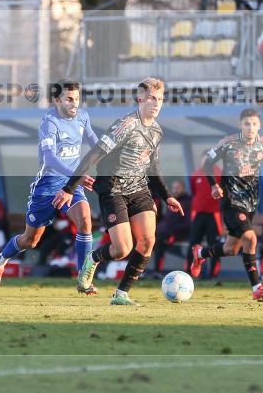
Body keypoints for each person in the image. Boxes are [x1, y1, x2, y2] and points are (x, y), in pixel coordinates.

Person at [62, 78, 184, 306]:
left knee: (147, 241)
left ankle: (121, 294)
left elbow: (153, 167)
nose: (156, 104)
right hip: (113, 189)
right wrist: (70, 187)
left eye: (159, 99)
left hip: (139, 189)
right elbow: (95, 154)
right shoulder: (126, 124)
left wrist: (167, 196)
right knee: (121, 249)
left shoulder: (157, 131)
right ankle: (93, 258)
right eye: (151, 99)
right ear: (140, 100)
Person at [0, 80, 101, 293]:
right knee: (30, 240)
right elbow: (49, 158)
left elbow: (95, 143)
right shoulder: (49, 122)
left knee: (85, 221)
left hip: (71, 183)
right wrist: (77, 174)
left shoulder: (83, 117)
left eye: (76, 98)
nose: (74, 103)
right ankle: (0, 259)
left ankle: (83, 279)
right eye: (69, 99)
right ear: (57, 100)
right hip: (47, 185)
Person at [189, 108, 263, 302]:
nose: (250, 127)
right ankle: (257, 287)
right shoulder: (228, 143)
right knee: (251, 238)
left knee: (231, 248)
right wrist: (214, 185)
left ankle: (200, 252)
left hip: (250, 203)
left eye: (254, 124)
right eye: (247, 123)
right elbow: (207, 163)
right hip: (231, 201)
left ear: (259, 126)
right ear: (241, 125)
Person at [187, 164, 222, 279]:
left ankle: (213, 274)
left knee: (214, 243)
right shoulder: (196, 173)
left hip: (214, 214)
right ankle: (190, 272)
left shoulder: (219, 173)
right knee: (193, 242)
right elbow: (193, 190)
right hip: (198, 213)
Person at [152, 180, 191, 274]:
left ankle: (157, 272)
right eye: (173, 188)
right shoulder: (171, 202)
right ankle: (143, 271)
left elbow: (188, 224)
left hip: (176, 235)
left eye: (178, 188)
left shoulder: (188, 202)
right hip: (163, 232)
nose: (175, 190)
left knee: (159, 242)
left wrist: (171, 230)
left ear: (183, 189)